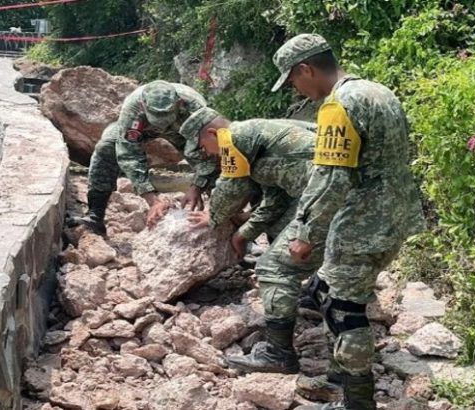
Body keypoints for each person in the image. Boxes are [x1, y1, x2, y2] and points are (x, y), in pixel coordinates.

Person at [269, 34, 426, 410]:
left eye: (293, 79)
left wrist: (305, 232)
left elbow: (330, 179)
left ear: (306, 69)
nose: (296, 88)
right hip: (398, 213)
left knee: (344, 308)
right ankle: (341, 373)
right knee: (325, 289)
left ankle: (357, 400)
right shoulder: (378, 91)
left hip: (363, 222)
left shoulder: (337, 106)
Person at [181, 107, 329, 377]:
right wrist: (244, 233)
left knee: (272, 268)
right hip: (326, 192)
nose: (207, 154)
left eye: (204, 146)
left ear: (213, 134)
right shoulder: (258, 135)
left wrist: (213, 215)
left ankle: (279, 355)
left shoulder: (233, 137)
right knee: (280, 232)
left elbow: (231, 187)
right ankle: (321, 291)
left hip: (330, 197)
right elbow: (276, 200)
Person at [76, 80, 218, 235]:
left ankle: (222, 217)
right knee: (106, 147)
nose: (162, 124)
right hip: (143, 127)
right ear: (143, 106)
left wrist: (196, 186)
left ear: (178, 103)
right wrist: (153, 201)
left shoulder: (195, 108)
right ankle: (95, 216)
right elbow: (128, 154)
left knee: (216, 160)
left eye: (166, 116)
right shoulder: (133, 108)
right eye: (156, 117)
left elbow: (208, 155)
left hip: (183, 131)